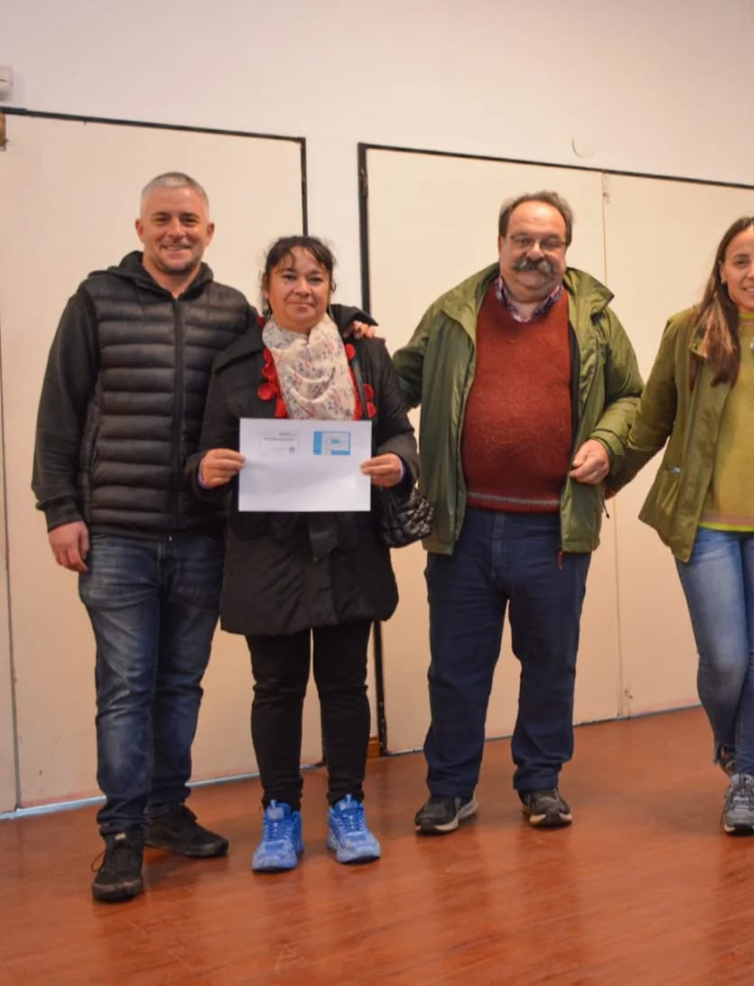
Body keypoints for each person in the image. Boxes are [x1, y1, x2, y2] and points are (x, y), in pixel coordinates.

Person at [393, 191, 642, 834]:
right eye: (523, 240)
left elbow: (631, 399)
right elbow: (397, 383)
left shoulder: (594, 319)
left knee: (550, 663)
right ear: (500, 243)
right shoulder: (453, 314)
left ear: (566, 249)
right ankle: (450, 788)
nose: (536, 253)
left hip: (553, 528)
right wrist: (353, 349)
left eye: (550, 242)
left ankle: (540, 783)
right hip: (463, 525)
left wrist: (607, 442)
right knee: (455, 667)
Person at [33, 173, 242, 902]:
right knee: (126, 688)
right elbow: (59, 411)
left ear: (209, 231)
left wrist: (351, 324)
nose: (176, 230)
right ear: (140, 227)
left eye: (189, 219)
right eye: (162, 219)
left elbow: (284, 357)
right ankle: (122, 833)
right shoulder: (97, 300)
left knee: (180, 685)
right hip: (116, 534)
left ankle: (164, 812)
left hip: (202, 536)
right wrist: (60, 508)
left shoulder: (233, 311)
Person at [191, 235, 415, 871]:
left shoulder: (366, 355)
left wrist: (399, 462)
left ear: (331, 290)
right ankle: (279, 814)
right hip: (269, 553)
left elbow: (400, 429)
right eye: (288, 277)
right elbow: (202, 451)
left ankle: (347, 806)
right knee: (276, 687)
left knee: (346, 686)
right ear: (265, 286)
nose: (302, 289)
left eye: (315, 278)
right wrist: (205, 468)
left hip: (349, 546)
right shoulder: (234, 364)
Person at [606, 217, 754, 836]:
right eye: (741, 261)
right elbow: (652, 418)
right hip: (705, 522)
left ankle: (745, 780)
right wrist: (612, 472)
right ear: (722, 271)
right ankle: (733, 754)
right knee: (725, 659)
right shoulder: (687, 333)